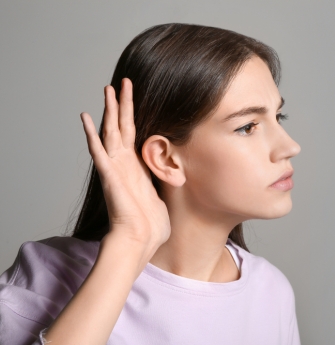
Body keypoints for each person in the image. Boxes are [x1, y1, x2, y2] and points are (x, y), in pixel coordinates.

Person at [0, 23, 301, 344]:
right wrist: (130, 242)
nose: (290, 147)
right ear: (167, 159)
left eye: (278, 117)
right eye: (248, 127)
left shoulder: (271, 293)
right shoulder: (46, 277)